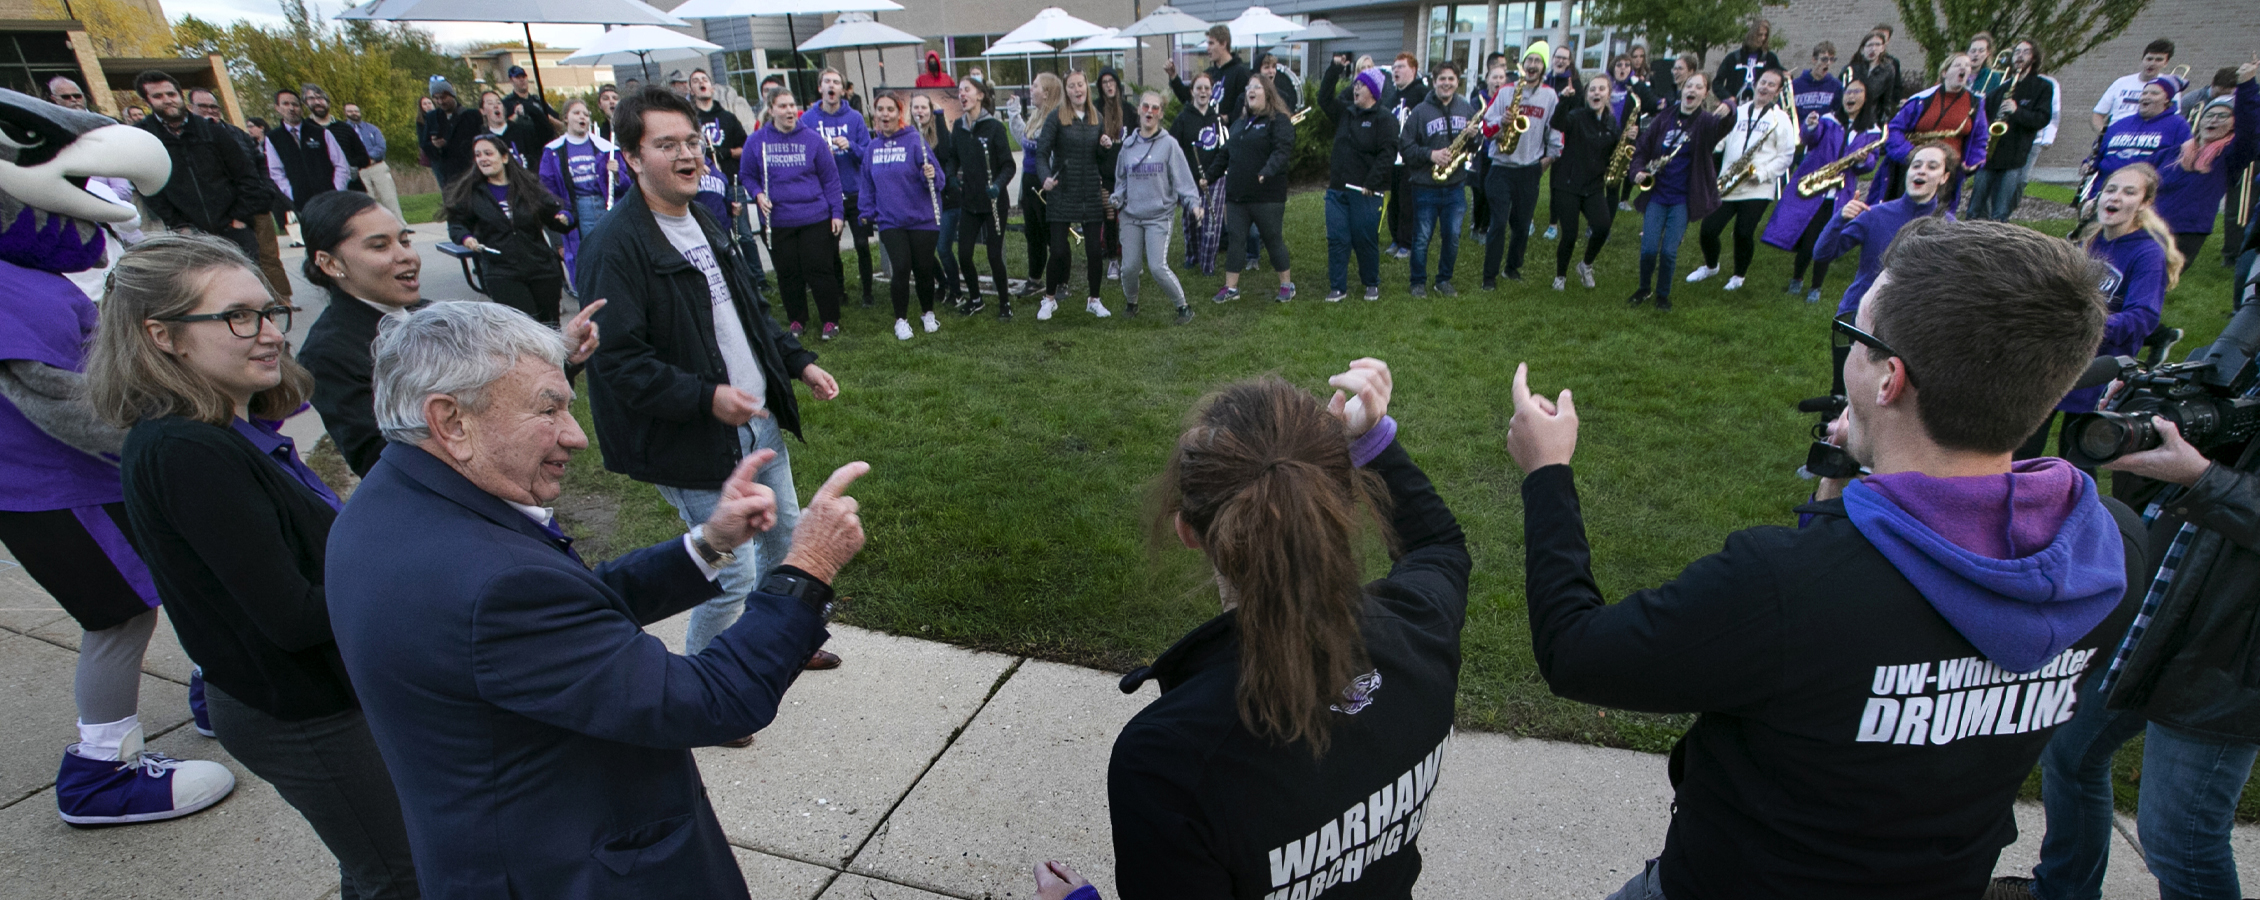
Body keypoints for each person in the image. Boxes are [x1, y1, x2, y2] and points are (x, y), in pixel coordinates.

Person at [1509, 215, 2143, 899]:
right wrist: (1847, 484)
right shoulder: (2108, 547)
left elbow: (1576, 652)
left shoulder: (1784, 586)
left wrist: (1546, 473)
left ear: (1888, 380)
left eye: (1858, 339)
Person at [326, 299, 867, 899]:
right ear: (451, 420)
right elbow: (711, 701)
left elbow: (567, 610)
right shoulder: (489, 580)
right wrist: (806, 568)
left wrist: (710, 544)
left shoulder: (395, 501)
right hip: (571, 870)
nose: (575, 436)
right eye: (548, 409)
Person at [89, 234, 420, 897]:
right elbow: (291, 615)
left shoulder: (227, 429)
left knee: (387, 863)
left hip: (325, 693)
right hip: (301, 710)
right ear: (163, 335)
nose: (268, 332)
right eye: (238, 316)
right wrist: (422, 575)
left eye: (270, 312)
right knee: (403, 875)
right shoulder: (189, 450)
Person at [1095, 357, 1468, 898]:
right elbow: (1439, 548)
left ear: (1187, 532)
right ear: (1340, 506)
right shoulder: (1421, 629)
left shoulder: (1165, 761)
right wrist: (1374, 442)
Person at [1989, 208, 2260, 900]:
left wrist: (2202, 479)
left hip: (2232, 654)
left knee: (2181, 838)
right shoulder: (2244, 378)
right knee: (2071, 752)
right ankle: (2063, 891)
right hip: (2164, 611)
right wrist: (2148, 441)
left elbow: (2215, 493)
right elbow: (2163, 496)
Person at [0, 92, 238, 830]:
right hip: (53, 486)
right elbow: (54, 397)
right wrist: (163, 428)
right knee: (120, 615)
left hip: (87, 476)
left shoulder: (32, 274)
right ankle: (101, 772)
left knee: (182, 568)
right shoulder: (11, 288)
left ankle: (224, 684)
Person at [588, 86, 843, 679]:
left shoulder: (702, 218)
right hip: (695, 446)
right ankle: (703, 690)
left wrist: (798, 362)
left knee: (785, 545)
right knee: (730, 576)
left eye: (692, 141)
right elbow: (618, 363)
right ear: (631, 157)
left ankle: (786, 641)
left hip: (760, 429)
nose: (688, 155)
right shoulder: (615, 246)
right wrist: (706, 398)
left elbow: (748, 315)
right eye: (666, 144)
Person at [2014, 163, 2179, 463]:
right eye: (2111, 189)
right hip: (2061, 357)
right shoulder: (2092, 240)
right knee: (2022, 448)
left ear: (2144, 204)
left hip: (2101, 367)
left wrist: (2086, 324)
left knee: (2079, 456)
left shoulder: (2146, 254)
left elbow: (2143, 316)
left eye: (2129, 192)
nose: (2115, 197)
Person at [1763, 78, 1883, 304]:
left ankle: (1815, 287)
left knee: (1826, 242)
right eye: (1848, 91)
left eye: (1858, 91)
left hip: (1839, 196)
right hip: (1815, 190)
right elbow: (1809, 139)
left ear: (1866, 98)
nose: (1851, 95)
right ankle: (1796, 279)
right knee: (1808, 241)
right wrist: (1810, 125)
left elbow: (1869, 166)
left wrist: (1862, 160)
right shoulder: (1828, 120)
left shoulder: (1872, 131)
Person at [1816, 141, 1957, 331]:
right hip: (1858, 315)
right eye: (1916, 165)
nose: (1921, 171)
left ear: (1944, 177)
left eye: (1932, 167)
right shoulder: (1875, 214)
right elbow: (1822, 254)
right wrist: (1839, 219)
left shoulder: (1949, 228)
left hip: (1910, 325)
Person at [745, 87, 850, 339]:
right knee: (788, 272)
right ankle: (797, 319)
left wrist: (837, 212)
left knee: (819, 269)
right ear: (771, 110)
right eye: (783, 106)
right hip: (779, 220)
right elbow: (747, 174)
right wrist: (758, 193)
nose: (790, 110)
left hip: (814, 217)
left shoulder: (812, 140)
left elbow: (831, 179)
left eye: (792, 105)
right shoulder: (757, 141)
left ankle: (829, 320)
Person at [1627, 73, 1737, 312]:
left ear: (1704, 94)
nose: (1693, 90)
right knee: (1648, 249)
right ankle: (1644, 289)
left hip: (1682, 199)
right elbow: (1642, 149)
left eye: (1699, 87)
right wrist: (1637, 171)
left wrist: (1729, 106)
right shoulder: (1664, 118)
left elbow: (1726, 124)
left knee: (1668, 252)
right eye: (1689, 85)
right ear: (1682, 89)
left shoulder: (1707, 123)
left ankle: (1663, 296)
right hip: (1657, 194)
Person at [133, 70, 267, 262]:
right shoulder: (144, 138)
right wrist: (179, 226)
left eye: (171, 94)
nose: (167, 100)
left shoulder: (210, 130)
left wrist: (239, 218)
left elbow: (246, 174)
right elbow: (148, 187)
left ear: (180, 95)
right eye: (158, 96)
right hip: (191, 235)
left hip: (232, 228)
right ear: (147, 102)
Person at [445, 135, 573, 326]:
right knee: (525, 326)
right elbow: (456, 224)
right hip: (501, 271)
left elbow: (557, 215)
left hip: (541, 267)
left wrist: (564, 217)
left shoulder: (527, 187)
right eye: (478, 155)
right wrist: (466, 238)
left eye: (488, 153)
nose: (483, 159)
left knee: (549, 327)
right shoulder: (472, 193)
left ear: (504, 157)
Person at [1688, 67, 1796, 292]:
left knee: (1743, 232)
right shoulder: (1738, 111)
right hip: (1728, 184)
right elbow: (1722, 140)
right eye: (1763, 82)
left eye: (1771, 85)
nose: (1765, 87)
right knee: (1708, 230)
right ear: (1755, 84)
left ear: (1776, 92)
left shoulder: (1781, 119)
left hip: (1757, 187)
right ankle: (1711, 266)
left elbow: (1786, 155)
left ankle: (1739, 275)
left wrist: (1763, 173)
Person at [1110, 89, 1203, 323]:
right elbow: (1121, 179)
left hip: (1158, 217)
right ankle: (1131, 303)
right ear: (1139, 110)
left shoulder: (1169, 145)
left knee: (1157, 266)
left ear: (1160, 114)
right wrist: (1117, 197)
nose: (1149, 111)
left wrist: (1194, 203)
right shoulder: (1128, 146)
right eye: (1145, 107)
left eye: (1154, 108)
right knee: (1129, 268)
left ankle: (1183, 307)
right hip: (1131, 216)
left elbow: (1184, 180)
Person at [859, 93, 946, 340]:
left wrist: (927, 173)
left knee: (924, 267)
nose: (885, 114)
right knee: (901, 267)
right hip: (891, 220)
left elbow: (939, 180)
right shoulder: (872, 148)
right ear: (874, 114)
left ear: (899, 114)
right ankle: (901, 320)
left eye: (890, 109)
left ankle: (928, 313)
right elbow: (867, 183)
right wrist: (866, 212)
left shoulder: (915, 141)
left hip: (923, 218)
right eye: (880, 110)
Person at [2156, 60, 2259, 271]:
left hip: (2186, 231)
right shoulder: (2175, 152)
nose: (2214, 120)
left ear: (2234, 124)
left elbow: (2250, 130)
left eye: (2223, 116)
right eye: (2210, 115)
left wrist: (2247, 86)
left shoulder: (2229, 156)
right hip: (2149, 224)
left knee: (2156, 281)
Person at [1205, 74, 1297, 305]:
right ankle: (1231, 287)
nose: (1250, 90)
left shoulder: (1279, 121)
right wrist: (1207, 177)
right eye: (1248, 88)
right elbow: (1225, 154)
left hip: (1267, 196)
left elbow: (1282, 151)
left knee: (1272, 238)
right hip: (1237, 196)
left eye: (1256, 87)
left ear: (1268, 93)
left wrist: (1267, 170)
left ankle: (1286, 284)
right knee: (1236, 239)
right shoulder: (1239, 125)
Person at [1033, 70, 1114, 320]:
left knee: (1092, 250)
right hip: (1062, 191)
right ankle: (1049, 299)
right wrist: (1045, 176)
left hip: (1089, 191)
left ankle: (1094, 299)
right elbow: (1042, 153)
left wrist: (1105, 147)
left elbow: (1099, 160)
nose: (1077, 90)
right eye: (1071, 86)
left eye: (1080, 85)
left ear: (1086, 88)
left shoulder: (1096, 117)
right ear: (1065, 90)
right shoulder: (1056, 117)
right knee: (1057, 250)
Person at [1479, 49, 1560, 289]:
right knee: (1499, 222)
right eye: (1529, 61)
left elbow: (1555, 132)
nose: (1533, 65)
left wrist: (1549, 159)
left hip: (1529, 169)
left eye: (1538, 61)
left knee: (1522, 225)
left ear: (1543, 68)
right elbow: (1485, 128)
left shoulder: (1550, 96)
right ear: (1523, 66)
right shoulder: (1505, 92)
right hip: (1501, 168)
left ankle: (1512, 267)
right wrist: (1500, 124)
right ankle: (1489, 277)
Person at [1320, 65, 1399, 303]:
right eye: (1355, 84)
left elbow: (1388, 154)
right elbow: (1324, 99)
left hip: (1365, 191)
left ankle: (1371, 282)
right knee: (1337, 239)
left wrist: (1371, 183)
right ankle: (1337, 287)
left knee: (1364, 239)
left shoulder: (1385, 119)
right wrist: (1334, 69)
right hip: (1337, 190)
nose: (1355, 88)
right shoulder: (1346, 113)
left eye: (1361, 85)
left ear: (1373, 91)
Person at [1550, 74, 1631, 292]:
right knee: (1570, 234)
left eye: (1601, 89)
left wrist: (1629, 139)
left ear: (1608, 94)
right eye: (1592, 90)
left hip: (1594, 186)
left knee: (1603, 227)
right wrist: (1564, 100)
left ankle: (1585, 265)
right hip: (1568, 183)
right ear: (1587, 95)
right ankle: (1560, 276)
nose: (1596, 93)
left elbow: (1616, 153)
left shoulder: (1612, 124)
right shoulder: (1576, 116)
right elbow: (1556, 123)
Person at [806, 68, 877, 309]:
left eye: (836, 82)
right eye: (827, 81)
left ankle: (867, 292)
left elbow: (868, 153)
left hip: (855, 192)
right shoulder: (808, 119)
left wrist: (852, 146)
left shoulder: (855, 118)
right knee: (832, 247)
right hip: (827, 195)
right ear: (820, 88)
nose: (831, 86)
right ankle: (839, 291)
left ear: (843, 89)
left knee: (861, 244)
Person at [1876, 53, 1988, 205]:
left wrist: (1973, 162)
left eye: (1967, 66)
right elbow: (1894, 129)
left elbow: (1980, 138)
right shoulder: (1922, 99)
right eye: (1957, 65)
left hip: (1947, 172)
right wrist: (1909, 154)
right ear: (1944, 72)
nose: (1963, 68)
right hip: (1913, 166)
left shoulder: (1975, 103)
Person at [539, 99, 630, 284]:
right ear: (565, 118)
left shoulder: (606, 148)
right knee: (589, 255)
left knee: (614, 252)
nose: (583, 117)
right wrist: (559, 211)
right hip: (579, 209)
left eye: (586, 114)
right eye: (577, 113)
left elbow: (626, 185)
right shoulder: (553, 151)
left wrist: (617, 174)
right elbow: (547, 187)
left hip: (605, 205)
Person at [948, 76, 1016, 319]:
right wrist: (952, 176)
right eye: (959, 91)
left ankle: (1004, 303)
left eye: (967, 90)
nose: (962, 95)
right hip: (970, 202)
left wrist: (998, 185)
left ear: (980, 95)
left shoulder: (995, 128)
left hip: (994, 203)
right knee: (964, 254)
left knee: (994, 255)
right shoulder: (958, 127)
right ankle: (976, 299)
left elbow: (1009, 165)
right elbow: (952, 157)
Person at [1965, 39, 2056, 222]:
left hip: (2015, 157)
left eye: (2025, 52)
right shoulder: (2002, 88)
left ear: (2034, 58)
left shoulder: (2042, 87)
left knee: (2000, 213)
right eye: (2017, 52)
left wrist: (2017, 111)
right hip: (1991, 156)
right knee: (1974, 209)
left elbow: (2042, 119)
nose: (2019, 56)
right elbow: (1983, 118)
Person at [2086, 77, 2193, 203]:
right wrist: (2088, 163)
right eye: (2144, 93)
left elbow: (2180, 164)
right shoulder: (2120, 125)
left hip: (2146, 199)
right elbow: (2097, 153)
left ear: (2167, 99)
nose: (2146, 97)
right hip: (2105, 194)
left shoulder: (2178, 126)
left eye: (2154, 93)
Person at [1170, 72, 1229, 276]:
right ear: (1192, 91)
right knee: (1191, 222)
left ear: (1212, 92)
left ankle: (1207, 265)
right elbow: (1173, 148)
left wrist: (1211, 175)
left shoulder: (1218, 120)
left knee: (1211, 222)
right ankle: (1192, 257)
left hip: (1214, 179)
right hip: (1189, 180)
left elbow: (1225, 150)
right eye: (1199, 88)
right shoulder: (1183, 119)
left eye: (1207, 88)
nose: (1203, 92)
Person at [908, 93, 962, 310]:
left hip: (947, 201)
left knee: (943, 248)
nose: (920, 111)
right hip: (923, 203)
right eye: (916, 107)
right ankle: (943, 281)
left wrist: (939, 116)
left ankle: (956, 291)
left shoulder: (939, 134)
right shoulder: (908, 136)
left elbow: (947, 152)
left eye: (924, 107)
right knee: (924, 251)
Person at [1012, 73, 1062, 299]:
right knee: (1033, 234)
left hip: (1047, 185)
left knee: (1051, 234)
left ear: (1047, 92)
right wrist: (1014, 113)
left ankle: (1061, 280)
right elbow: (1022, 138)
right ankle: (1034, 279)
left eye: (1035, 86)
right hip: (1029, 183)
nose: (1031, 90)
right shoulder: (1035, 116)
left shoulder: (1055, 119)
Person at [264, 88, 350, 212]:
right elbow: (276, 171)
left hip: (332, 198)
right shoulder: (273, 138)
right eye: (286, 104)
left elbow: (341, 163)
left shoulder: (320, 132)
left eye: (295, 104)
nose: (291, 108)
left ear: (302, 108)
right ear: (277, 107)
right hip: (303, 203)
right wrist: (292, 193)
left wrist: (337, 190)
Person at [1384, 55, 1431, 259]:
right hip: (1393, 157)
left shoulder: (1422, 94)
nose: (1396, 71)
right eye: (1394, 67)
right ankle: (1396, 238)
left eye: (1401, 67)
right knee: (1393, 200)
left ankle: (1407, 242)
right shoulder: (1392, 97)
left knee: (1407, 201)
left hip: (1412, 158)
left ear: (1413, 69)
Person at [1096, 67, 1137, 280]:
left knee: (1131, 218)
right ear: (1100, 87)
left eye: (1112, 81)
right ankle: (1112, 260)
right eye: (1104, 82)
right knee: (1109, 218)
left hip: (1129, 175)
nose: (1109, 85)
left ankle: (1131, 258)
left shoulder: (1130, 111)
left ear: (1118, 84)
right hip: (1105, 175)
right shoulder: (1095, 111)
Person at [1168, 24, 1252, 127]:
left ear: (1223, 44)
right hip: (1207, 132)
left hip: (1230, 133)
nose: (1208, 48)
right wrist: (1174, 77)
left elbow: (1248, 104)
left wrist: (1229, 117)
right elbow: (1190, 97)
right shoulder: (1209, 73)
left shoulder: (1241, 73)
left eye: (1211, 43)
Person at [340, 102, 404, 225]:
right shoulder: (344, 130)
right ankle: (374, 226)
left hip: (377, 166)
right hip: (359, 170)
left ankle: (399, 225)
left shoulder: (371, 128)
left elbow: (381, 146)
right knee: (367, 200)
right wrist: (361, 161)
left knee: (389, 196)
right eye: (350, 111)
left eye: (356, 111)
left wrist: (368, 158)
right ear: (345, 113)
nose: (354, 113)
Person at [298, 85, 372, 190]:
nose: (317, 102)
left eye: (320, 98)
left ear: (328, 102)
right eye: (311, 98)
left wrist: (349, 166)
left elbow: (364, 158)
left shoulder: (344, 128)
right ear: (305, 103)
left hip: (351, 188)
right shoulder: (302, 130)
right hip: (318, 189)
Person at [2093, 39, 2176, 131]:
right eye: (2149, 59)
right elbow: (2097, 115)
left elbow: (2173, 119)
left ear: (2166, 63)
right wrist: (2103, 136)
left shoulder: (2170, 86)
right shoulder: (2121, 83)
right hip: (2116, 138)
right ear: (2142, 59)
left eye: (2158, 60)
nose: (2152, 63)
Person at [419, 78, 480, 190]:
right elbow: (424, 144)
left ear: (452, 94)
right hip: (446, 171)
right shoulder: (432, 117)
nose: (440, 102)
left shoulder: (471, 115)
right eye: (436, 98)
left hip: (469, 167)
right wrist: (435, 146)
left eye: (443, 97)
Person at [1712, 18, 1781, 103]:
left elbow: (1781, 76)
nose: (1763, 38)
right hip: (1735, 107)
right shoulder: (1732, 58)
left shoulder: (1770, 58)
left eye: (1765, 35)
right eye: (1759, 35)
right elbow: (1717, 83)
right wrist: (1728, 97)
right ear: (1751, 35)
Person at [476, 89, 542, 171]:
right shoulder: (483, 140)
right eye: (490, 103)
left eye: (498, 102)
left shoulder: (522, 130)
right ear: (482, 111)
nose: (496, 106)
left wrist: (527, 107)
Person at [1847, 30, 1904, 119]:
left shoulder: (1887, 70)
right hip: (1851, 116)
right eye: (1869, 45)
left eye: (1877, 45)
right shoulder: (1851, 68)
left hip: (1873, 118)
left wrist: (1883, 123)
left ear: (1882, 48)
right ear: (1862, 49)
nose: (1873, 49)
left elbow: (1886, 101)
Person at [501, 64, 561, 147]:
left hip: (545, 142)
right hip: (524, 145)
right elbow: (503, 126)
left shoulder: (538, 100)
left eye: (524, 77)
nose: (522, 80)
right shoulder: (507, 103)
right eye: (518, 77)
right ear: (511, 80)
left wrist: (546, 117)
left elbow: (558, 121)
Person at [1791, 42, 1846, 125]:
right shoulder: (1795, 85)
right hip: (1800, 132)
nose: (1828, 63)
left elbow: (1840, 114)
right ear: (1814, 60)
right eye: (1824, 59)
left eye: (1832, 60)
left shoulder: (1836, 86)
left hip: (1824, 133)